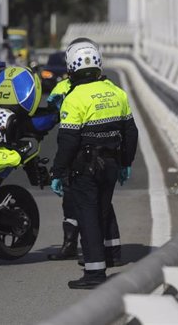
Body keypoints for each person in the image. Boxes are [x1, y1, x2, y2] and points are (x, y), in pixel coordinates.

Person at [49, 38, 138, 289]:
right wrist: (125, 162)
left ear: (71, 69)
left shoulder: (74, 97)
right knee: (102, 210)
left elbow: (68, 140)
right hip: (110, 165)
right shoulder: (116, 92)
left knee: (87, 218)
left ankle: (95, 274)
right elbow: (130, 132)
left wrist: (58, 172)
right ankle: (109, 257)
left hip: (85, 166)